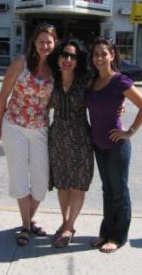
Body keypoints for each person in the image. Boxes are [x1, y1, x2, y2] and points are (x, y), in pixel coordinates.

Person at [0, 23, 58, 246]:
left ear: (55, 43)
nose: (45, 45)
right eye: (41, 41)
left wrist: (117, 104)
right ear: (34, 43)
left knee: (41, 182)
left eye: (49, 41)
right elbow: (3, 95)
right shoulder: (20, 63)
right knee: (19, 177)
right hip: (14, 127)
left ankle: (28, 220)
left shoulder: (57, 69)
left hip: (40, 129)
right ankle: (26, 226)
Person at [86, 37, 142, 253]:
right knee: (107, 191)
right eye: (96, 54)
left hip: (116, 147)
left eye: (104, 54)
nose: (99, 58)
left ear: (112, 55)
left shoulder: (120, 81)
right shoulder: (92, 81)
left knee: (120, 192)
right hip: (98, 145)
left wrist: (129, 132)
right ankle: (105, 233)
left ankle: (118, 236)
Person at [47, 39, 94, 248]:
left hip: (80, 138)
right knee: (63, 184)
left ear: (78, 60)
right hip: (57, 138)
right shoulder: (51, 80)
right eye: (64, 55)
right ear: (57, 58)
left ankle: (69, 226)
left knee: (78, 184)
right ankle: (65, 223)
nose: (68, 60)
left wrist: (119, 109)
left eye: (72, 56)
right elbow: (42, 104)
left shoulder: (87, 81)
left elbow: (106, 96)